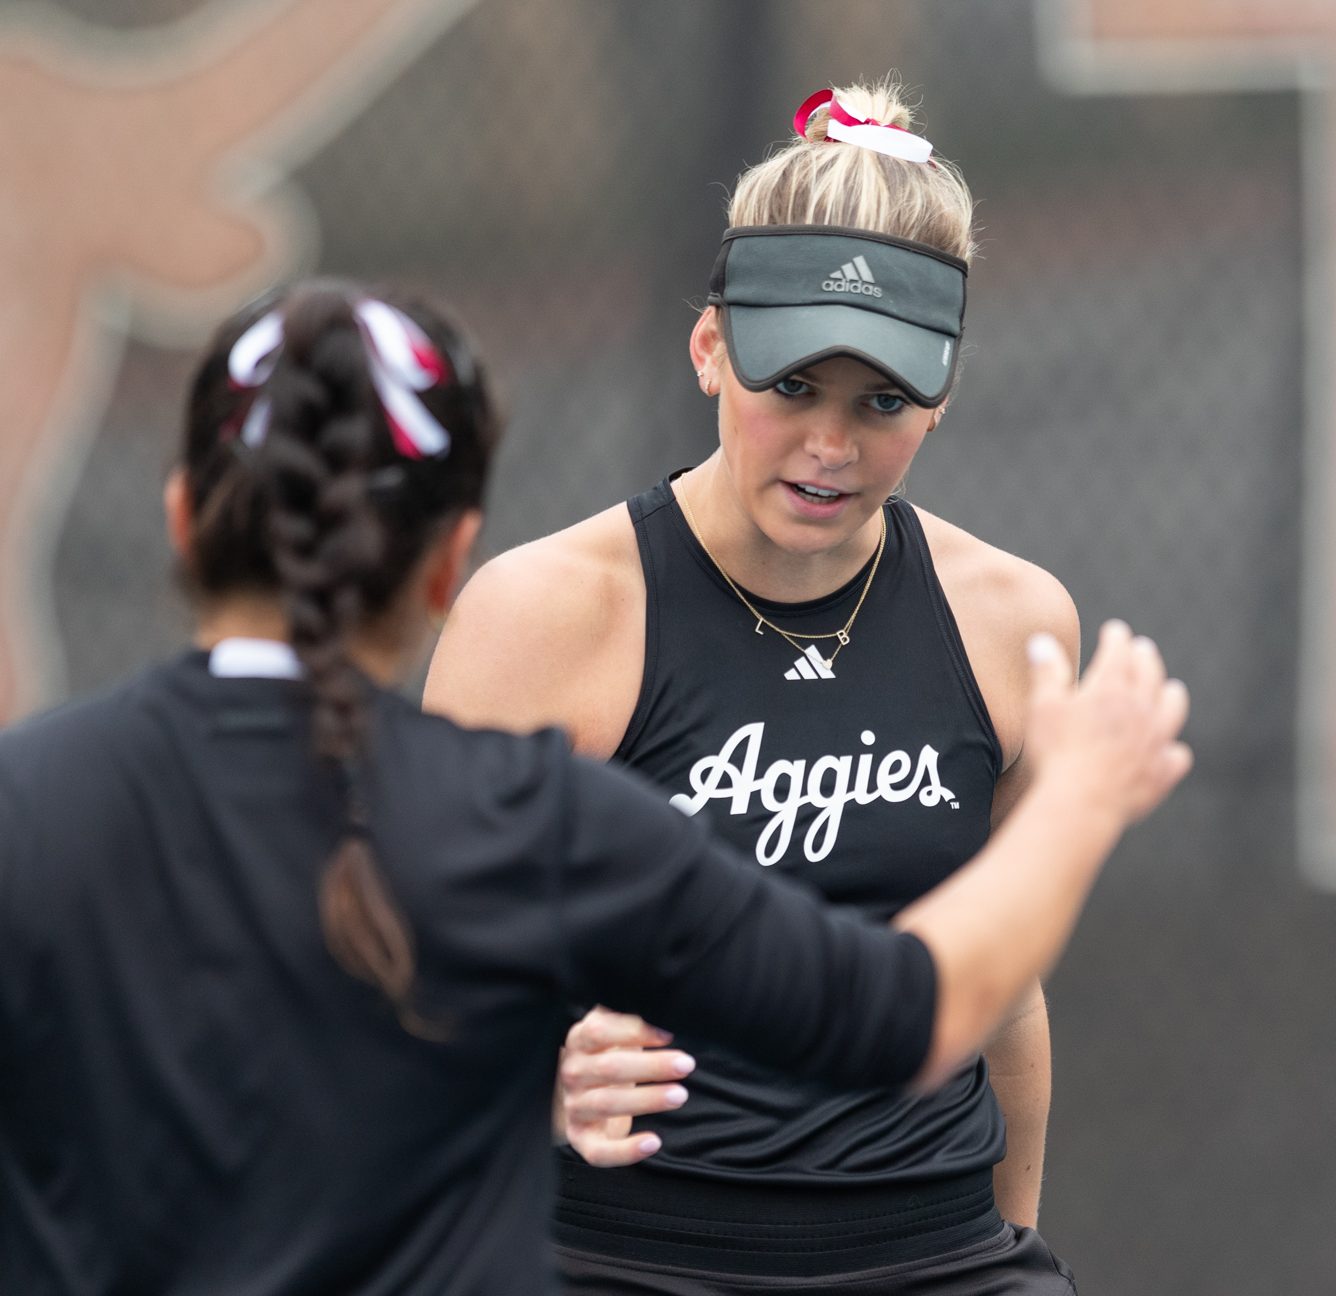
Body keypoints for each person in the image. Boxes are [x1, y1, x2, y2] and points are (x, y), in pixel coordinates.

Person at [0, 280, 1188, 1296]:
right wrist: (1074, 798)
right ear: (452, 564)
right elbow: (902, 1004)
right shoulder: (533, 822)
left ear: (183, 518)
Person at [424, 83, 1094, 1292]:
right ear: (707, 351)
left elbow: (1003, 990)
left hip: (931, 1252)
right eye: (790, 388)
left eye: (878, 403)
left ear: (937, 399)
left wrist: (1005, 1251)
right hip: (621, 1258)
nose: (829, 447)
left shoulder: (1015, 622)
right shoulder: (544, 618)